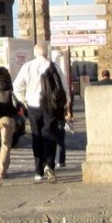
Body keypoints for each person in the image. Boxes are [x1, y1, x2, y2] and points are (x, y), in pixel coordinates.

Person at [13, 43, 67, 183]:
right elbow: (64, 87)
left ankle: (38, 170)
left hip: (33, 105)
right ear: (47, 52)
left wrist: (23, 100)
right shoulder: (54, 66)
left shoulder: (27, 66)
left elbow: (17, 86)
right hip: (51, 106)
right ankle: (50, 164)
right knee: (50, 135)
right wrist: (66, 105)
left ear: (35, 53)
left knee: (36, 136)